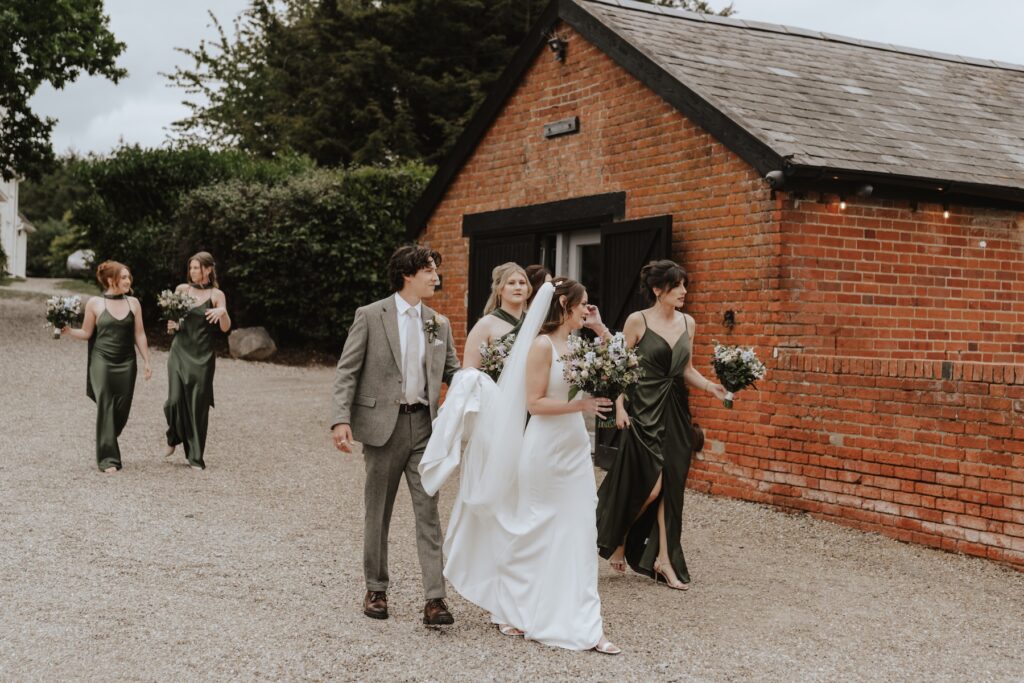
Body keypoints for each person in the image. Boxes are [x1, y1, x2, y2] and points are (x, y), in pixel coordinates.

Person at [435, 279, 621, 654]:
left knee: (581, 528)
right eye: (584, 304)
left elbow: (617, 361)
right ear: (565, 304)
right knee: (536, 526)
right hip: (545, 447)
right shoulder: (541, 345)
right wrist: (580, 407)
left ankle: (584, 620)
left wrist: (600, 327)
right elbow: (534, 403)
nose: (588, 309)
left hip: (573, 446)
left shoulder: (580, 344)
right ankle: (512, 604)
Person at [330, 245, 461, 626]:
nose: (436, 277)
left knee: (429, 514)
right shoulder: (370, 316)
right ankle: (376, 589)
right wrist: (340, 419)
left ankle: (435, 599)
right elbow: (347, 371)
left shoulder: (440, 323)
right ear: (408, 274)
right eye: (430, 271)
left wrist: (489, 381)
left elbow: (453, 371)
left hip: (424, 427)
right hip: (381, 429)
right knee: (378, 513)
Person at [596, 260, 726, 589]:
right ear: (658, 290)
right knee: (650, 486)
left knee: (672, 487)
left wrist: (711, 387)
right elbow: (619, 368)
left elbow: (685, 368)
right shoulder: (636, 321)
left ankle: (664, 560)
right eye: (677, 286)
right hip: (644, 410)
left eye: (684, 285)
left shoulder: (689, 323)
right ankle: (621, 536)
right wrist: (619, 406)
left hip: (677, 411)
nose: (684, 291)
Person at [62, 261, 153, 472]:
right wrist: (69, 331)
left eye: (129, 277)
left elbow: (139, 334)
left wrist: (147, 360)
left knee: (121, 408)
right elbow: (86, 333)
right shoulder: (95, 303)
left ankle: (108, 436)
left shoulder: (134, 303)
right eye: (123, 277)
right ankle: (108, 459)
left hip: (127, 362)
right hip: (101, 360)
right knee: (105, 403)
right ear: (111, 280)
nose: (128, 281)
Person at [163, 251, 231, 470]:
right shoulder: (182, 290)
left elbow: (225, 328)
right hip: (179, 351)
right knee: (174, 400)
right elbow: (175, 321)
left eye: (197, 268)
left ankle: (195, 456)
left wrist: (222, 312)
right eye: (191, 268)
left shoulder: (217, 294)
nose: (193, 272)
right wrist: (173, 325)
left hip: (203, 356)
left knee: (198, 405)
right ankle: (174, 436)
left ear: (208, 269)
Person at [461, 262, 530, 371]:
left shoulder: (535, 322)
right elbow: (469, 373)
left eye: (522, 283)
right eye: (511, 283)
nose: (518, 287)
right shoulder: (485, 325)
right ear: (499, 289)